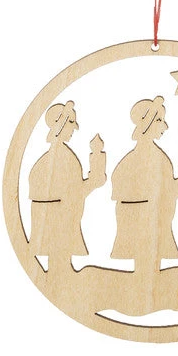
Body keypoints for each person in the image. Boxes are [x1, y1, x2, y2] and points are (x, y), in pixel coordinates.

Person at [111, 96, 178, 275]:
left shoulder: (153, 159)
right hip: (144, 224)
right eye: (159, 120)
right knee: (146, 266)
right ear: (147, 123)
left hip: (149, 222)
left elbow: (165, 191)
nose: (165, 126)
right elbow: (164, 192)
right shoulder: (150, 160)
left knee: (149, 267)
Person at [29, 101, 106, 269]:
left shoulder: (49, 160)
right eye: (71, 122)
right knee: (59, 267)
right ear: (61, 123)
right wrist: (94, 180)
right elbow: (73, 195)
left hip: (54, 229)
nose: (74, 128)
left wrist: (92, 181)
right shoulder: (63, 159)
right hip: (58, 230)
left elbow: (72, 193)